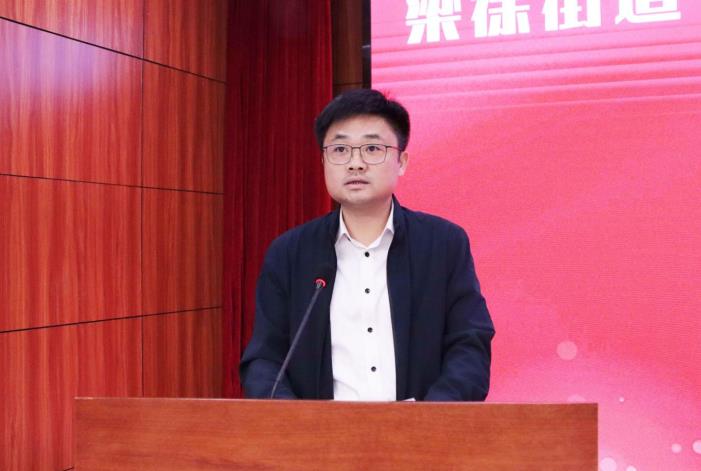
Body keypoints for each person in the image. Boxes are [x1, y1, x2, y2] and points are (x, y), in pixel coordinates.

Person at [239, 89, 494, 401]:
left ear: (401, 161)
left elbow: (469, 346)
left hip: (423, 427)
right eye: (340, 149)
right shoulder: (289, 253)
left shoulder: (443, 245)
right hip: (319, 431)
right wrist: (297, 422)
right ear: (323, 161)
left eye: (372, 148)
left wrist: (428, 419)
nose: (355, 163)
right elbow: (264, 360)